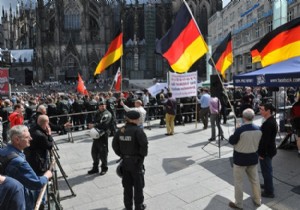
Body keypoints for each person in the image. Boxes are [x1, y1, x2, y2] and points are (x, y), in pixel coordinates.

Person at [0, 125, 52, 210]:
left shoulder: (3, 151)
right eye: (27, 137)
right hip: (21, 202)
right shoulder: (18, 161)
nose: (31, 138)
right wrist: (47, 175)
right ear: (17, 140)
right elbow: (37, 183)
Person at [112, 110, 148, 210]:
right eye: (138, 119)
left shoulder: (121, 130)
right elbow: (144, 145)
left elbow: (114, 145)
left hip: (125, 162)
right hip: (136, 162)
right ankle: (138, 206)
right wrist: (140, 158)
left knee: (127, 186)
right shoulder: (138, 130)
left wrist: (122, 155)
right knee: (138, 186)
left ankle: (128, 207)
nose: (139, 120)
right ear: (135, 119)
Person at [228, 108, 262, 209]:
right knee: (255, 180)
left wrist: (237, 130)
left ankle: (239, 204)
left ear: (243, 117)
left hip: (240, 159)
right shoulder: (259, 129)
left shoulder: (240, 130)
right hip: (252, 157)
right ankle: (257, 200)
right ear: (253, 117)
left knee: (238, 182)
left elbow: (232, 141)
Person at [87, 98, 112, 175]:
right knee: (94, 152)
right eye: (101, 105)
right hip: (96, 135)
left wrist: (94, 125)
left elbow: (104, 124)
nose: (102, 107)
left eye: (103, 105)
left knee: (103, 153)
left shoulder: (107, 113)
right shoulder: (97, 113)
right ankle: (95, 168)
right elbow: (94, 121)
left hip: (103, 135)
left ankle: (104, 168)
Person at [258, 103, 278, 198]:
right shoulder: (270, 120)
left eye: (262, 109)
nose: (260, 111)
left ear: (268, 111)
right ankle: (267, 185)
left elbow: (265, 141)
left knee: (266, 171)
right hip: (270, 150)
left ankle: (269, 192)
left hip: (266, 152)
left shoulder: (269, 123)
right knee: (266, 170)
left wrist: (261, 153)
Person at [290, 92, 300, 157]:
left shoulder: (295, 105)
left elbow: (292, 115)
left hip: (297, 123)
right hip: (298, 122)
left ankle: (299, 150)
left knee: (299, 137)